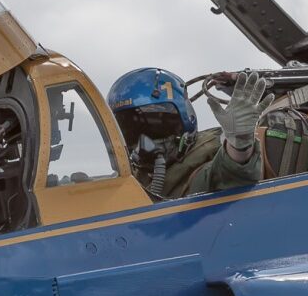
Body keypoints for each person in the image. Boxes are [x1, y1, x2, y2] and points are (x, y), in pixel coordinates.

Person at [107, 68, 272, 198]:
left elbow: (231, 172)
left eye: (156, 129)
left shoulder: (202, 163)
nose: (144, 143)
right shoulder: (133, 182)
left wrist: (239, 141)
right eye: (132, 133)